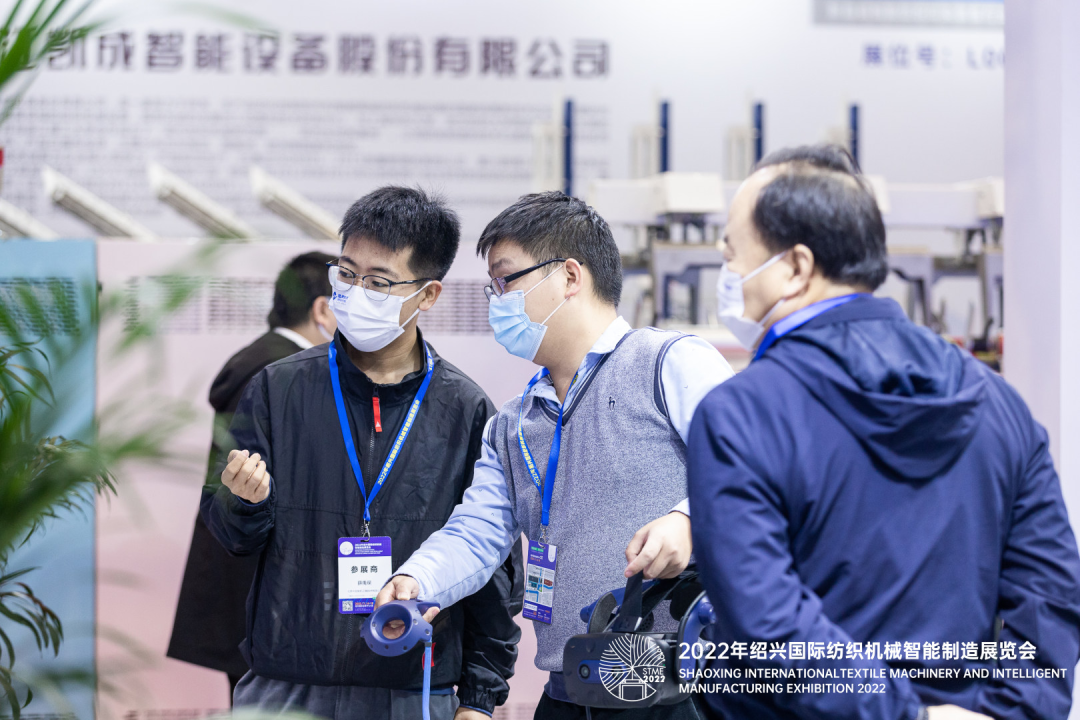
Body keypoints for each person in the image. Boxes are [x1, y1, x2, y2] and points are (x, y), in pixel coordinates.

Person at [687, 144, 1080, 720]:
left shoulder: (740, 415)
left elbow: (768, 625)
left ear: (795, 268)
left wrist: (906, 715)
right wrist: (1006, 710)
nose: (730, 277)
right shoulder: (999, 403)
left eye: (732, 256)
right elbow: (1051, 593)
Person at [377, 191, 735, 720]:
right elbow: (476, 532)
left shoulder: (668, 364)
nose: (496, 300)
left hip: (675, 687)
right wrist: (417, 579)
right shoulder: (512, 423)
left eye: (506, 280)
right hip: (568, 691)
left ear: (569, 276)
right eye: (492, 286)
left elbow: (754, 470)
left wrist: (689, 520)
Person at [201, 186, 523, 720]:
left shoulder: (464, 410)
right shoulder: (279, 389)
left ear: (428, 295)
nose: (354, 292)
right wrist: (245, 502)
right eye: (347, 274)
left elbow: (491, 564)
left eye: (378, 282)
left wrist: (480, 698)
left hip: (413, 687)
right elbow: (232, 537)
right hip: (285, 685)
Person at [168, 250, 337, 698]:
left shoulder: (264, 360)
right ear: (322, 309)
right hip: (257, 587)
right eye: (349, 297)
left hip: (244, 578)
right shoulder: (282, 372)